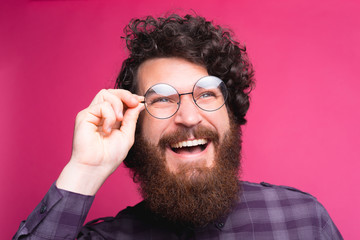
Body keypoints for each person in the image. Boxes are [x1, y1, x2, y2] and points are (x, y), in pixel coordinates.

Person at [14, 14, 342, 239]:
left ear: (231, 114)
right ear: (134, 127)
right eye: (162, 100)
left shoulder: (302, 220)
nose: (188, 117)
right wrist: (85, 169)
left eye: (206, 94)